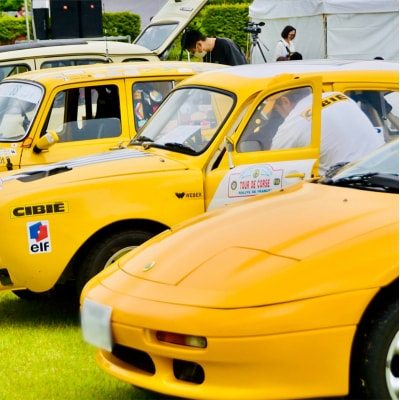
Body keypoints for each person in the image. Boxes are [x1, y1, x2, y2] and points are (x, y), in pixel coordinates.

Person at [268, 88, 385, 175]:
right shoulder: (338, 96)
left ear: (285, 101)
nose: (279, 115)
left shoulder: (293, 123)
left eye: (276, 110)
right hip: (382, 171)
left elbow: (271, 164)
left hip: (350, 184)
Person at [181, 29, 247, 66]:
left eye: (193, 52)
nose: (195, 54)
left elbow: (239, 69)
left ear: (199, 44)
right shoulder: (206, 54)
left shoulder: (226, 45)